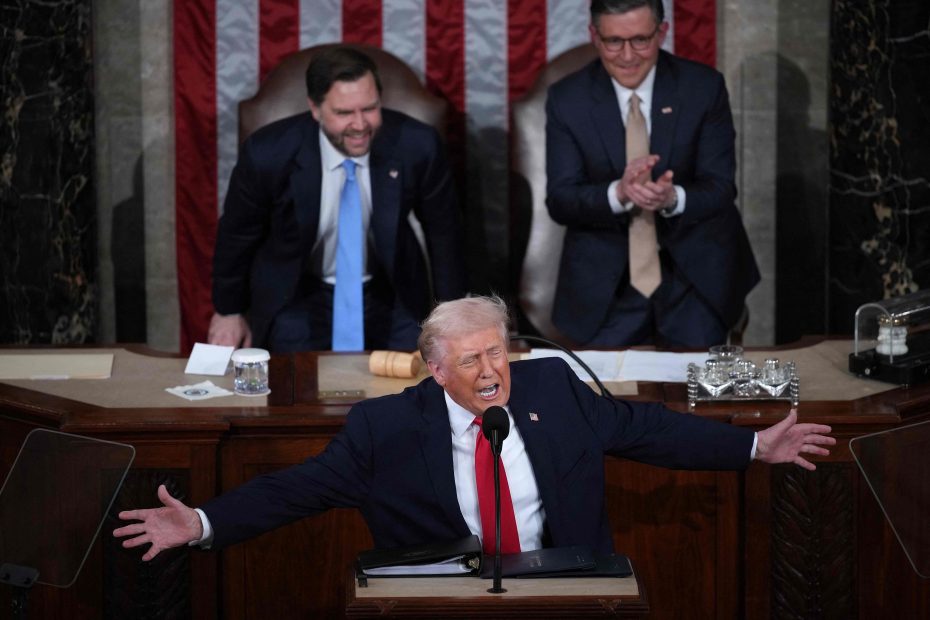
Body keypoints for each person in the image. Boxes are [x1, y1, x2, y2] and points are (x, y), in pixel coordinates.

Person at [114, 295, 834, 561]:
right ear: (434, 370)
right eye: (470, 360)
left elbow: (647, 429)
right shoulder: (385, 428)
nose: (491, 372)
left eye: (497, 352)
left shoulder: (554, 389)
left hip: (563, 588)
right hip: (444, 599)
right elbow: (296, 489)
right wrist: (202, 522)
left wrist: (753, 445)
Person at [208, 46, 466, 353]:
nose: (360, 125)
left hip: (390, 288)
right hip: (297, 291)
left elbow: (444, 231)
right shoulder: (268, 153)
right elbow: (238, 235)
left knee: (415, 378)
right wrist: (228, 311)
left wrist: (454, 313)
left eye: (369, 108)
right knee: (295, 381)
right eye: (344, 113)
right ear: (315, 109)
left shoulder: (417, 144)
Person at [546, 0, 760, 348]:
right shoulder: (568, 99)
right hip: (608, 282)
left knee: (697, 380)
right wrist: (619, 193)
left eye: (641, 40)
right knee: (603, 382)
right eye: (614, 41)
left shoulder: (702, 88)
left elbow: (721, 188)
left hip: (695, 275)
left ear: (662, 33)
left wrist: (672, 197)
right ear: (594, 36)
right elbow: (561, 200)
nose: (628, 55)